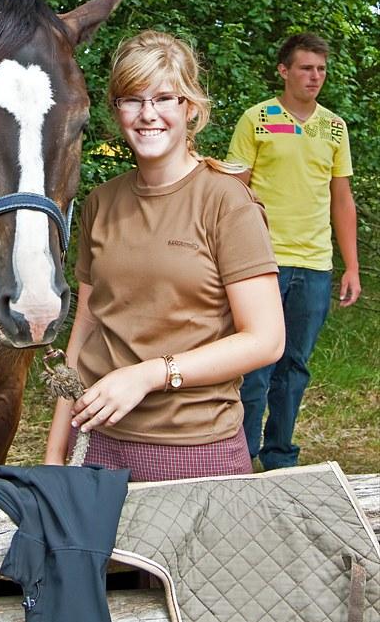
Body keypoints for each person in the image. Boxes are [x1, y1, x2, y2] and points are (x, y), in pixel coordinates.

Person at [45, 31, 285, 481]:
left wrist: (149, 375)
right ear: (116, 111)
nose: (148, 114)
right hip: (96, 447)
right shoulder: (100, 203)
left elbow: (267, 338)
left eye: (164, 98)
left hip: (195, 451)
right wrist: (56, 454)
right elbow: (85, 332)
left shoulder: (226, 201)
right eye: (132, 100)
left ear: (190, 107)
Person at [226, 32, 361, 470]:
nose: (315, 76)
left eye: (321, 69)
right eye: (306, 68)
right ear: (284, 71)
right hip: (262, 263)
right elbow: (235, 190)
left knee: (295, 365)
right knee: (256, 363)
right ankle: (241, 455)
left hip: (315, 265)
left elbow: (342, 199)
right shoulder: (258, 118)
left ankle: (279, 453)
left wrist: (351, 266)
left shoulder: (334, 126)